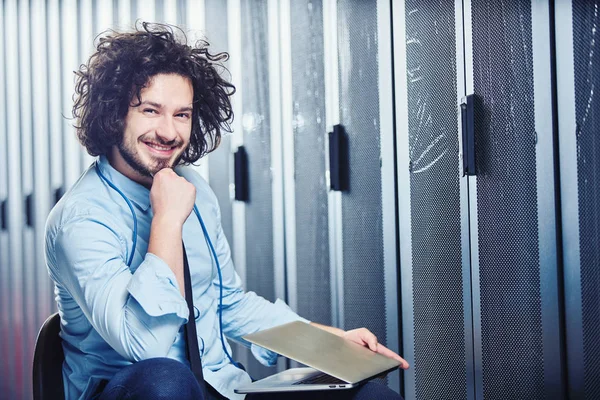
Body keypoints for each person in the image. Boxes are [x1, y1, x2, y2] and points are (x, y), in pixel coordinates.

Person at [44, 22, 408, 400]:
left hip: (219, 389)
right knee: (166, 381)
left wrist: (326, 341)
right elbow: (146, 346)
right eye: (151, 110)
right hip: (139, 390)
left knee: (373, 397)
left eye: (182, 115)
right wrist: (167, 219)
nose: (169, 132)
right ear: (115, 112)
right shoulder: (80, 219)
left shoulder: (194, 188)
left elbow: (227, 302)